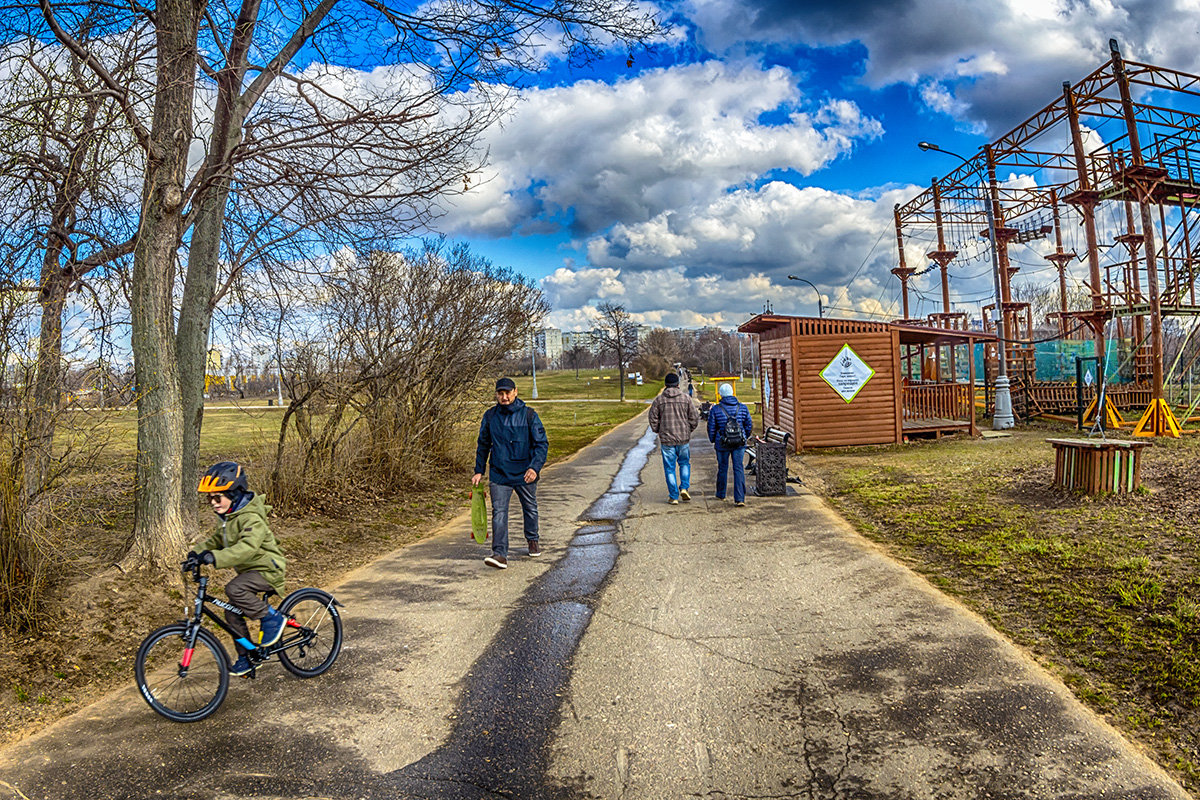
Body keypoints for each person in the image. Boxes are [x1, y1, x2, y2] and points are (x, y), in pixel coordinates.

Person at [188, 461, 287, 677]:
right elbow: (217, 540)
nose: (213, 503)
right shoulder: (228, 518)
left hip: (268, 569)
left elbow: (247, 548)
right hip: (250, 573)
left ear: (233, 494)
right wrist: (197, 553)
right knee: (231, 612)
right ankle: (248, 656)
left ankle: (271, 617)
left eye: (217, 497)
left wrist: (216, 557)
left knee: (234, 588)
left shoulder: (251, 517)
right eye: (209, 499)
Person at [473, 377, 549, 569]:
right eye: (501, 393)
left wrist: (534, 468)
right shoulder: (490, 417)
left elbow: (541, 444)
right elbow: (483, 445)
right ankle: (499, 554)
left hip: (525, 474)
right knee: (499, 512)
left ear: (515, 392)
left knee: (530, 508)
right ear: (497, 394)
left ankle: (532, 540)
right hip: (500, 474)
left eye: (507, 393)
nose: (504, 397)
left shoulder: (529, 415)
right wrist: (478, 471)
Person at [648, 372, 700, 504]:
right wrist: (688, 430)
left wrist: (658, 430)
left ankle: (673, 496)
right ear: (677, 384)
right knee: (684, 463)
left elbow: (653, 418)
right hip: (683, 438)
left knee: (669, 467)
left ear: (666, 385)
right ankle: (684, 487)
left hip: (667, 440)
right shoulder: (686, 398)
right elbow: (694, 417)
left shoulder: (659, 400)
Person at [707, 383, 753, 506]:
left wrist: (713, 440)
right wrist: (744, 436)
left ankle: (721, 493)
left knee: (722, 468)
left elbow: (711, 427)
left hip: (722, 443)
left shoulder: (716, 409)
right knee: (738, 469)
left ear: (720, 394)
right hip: (739, 443)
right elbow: (749, 425)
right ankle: (740, 498)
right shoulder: (742, 408)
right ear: (733, 393)